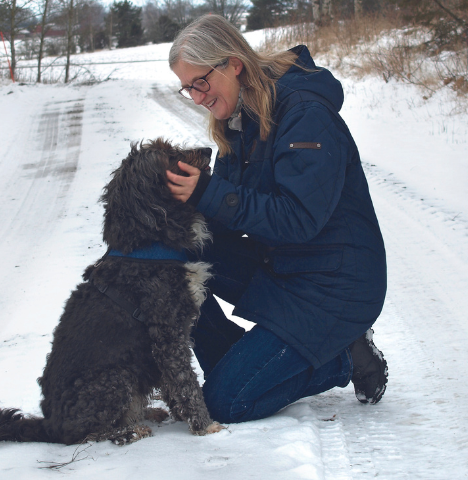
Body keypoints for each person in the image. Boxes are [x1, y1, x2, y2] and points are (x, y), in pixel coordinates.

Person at [165, 14, 388, 424]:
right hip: (287, 267)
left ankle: (343, 357)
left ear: (233, 64)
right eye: (187, 88)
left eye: (201, 82)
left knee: (225, 403)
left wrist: (208, 190)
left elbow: (299, 218)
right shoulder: (237, 120)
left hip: (335, 286)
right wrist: (169, 219)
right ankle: (234, 361)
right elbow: (227, 219)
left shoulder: (305, 114)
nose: (197, 97)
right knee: (174, 256)